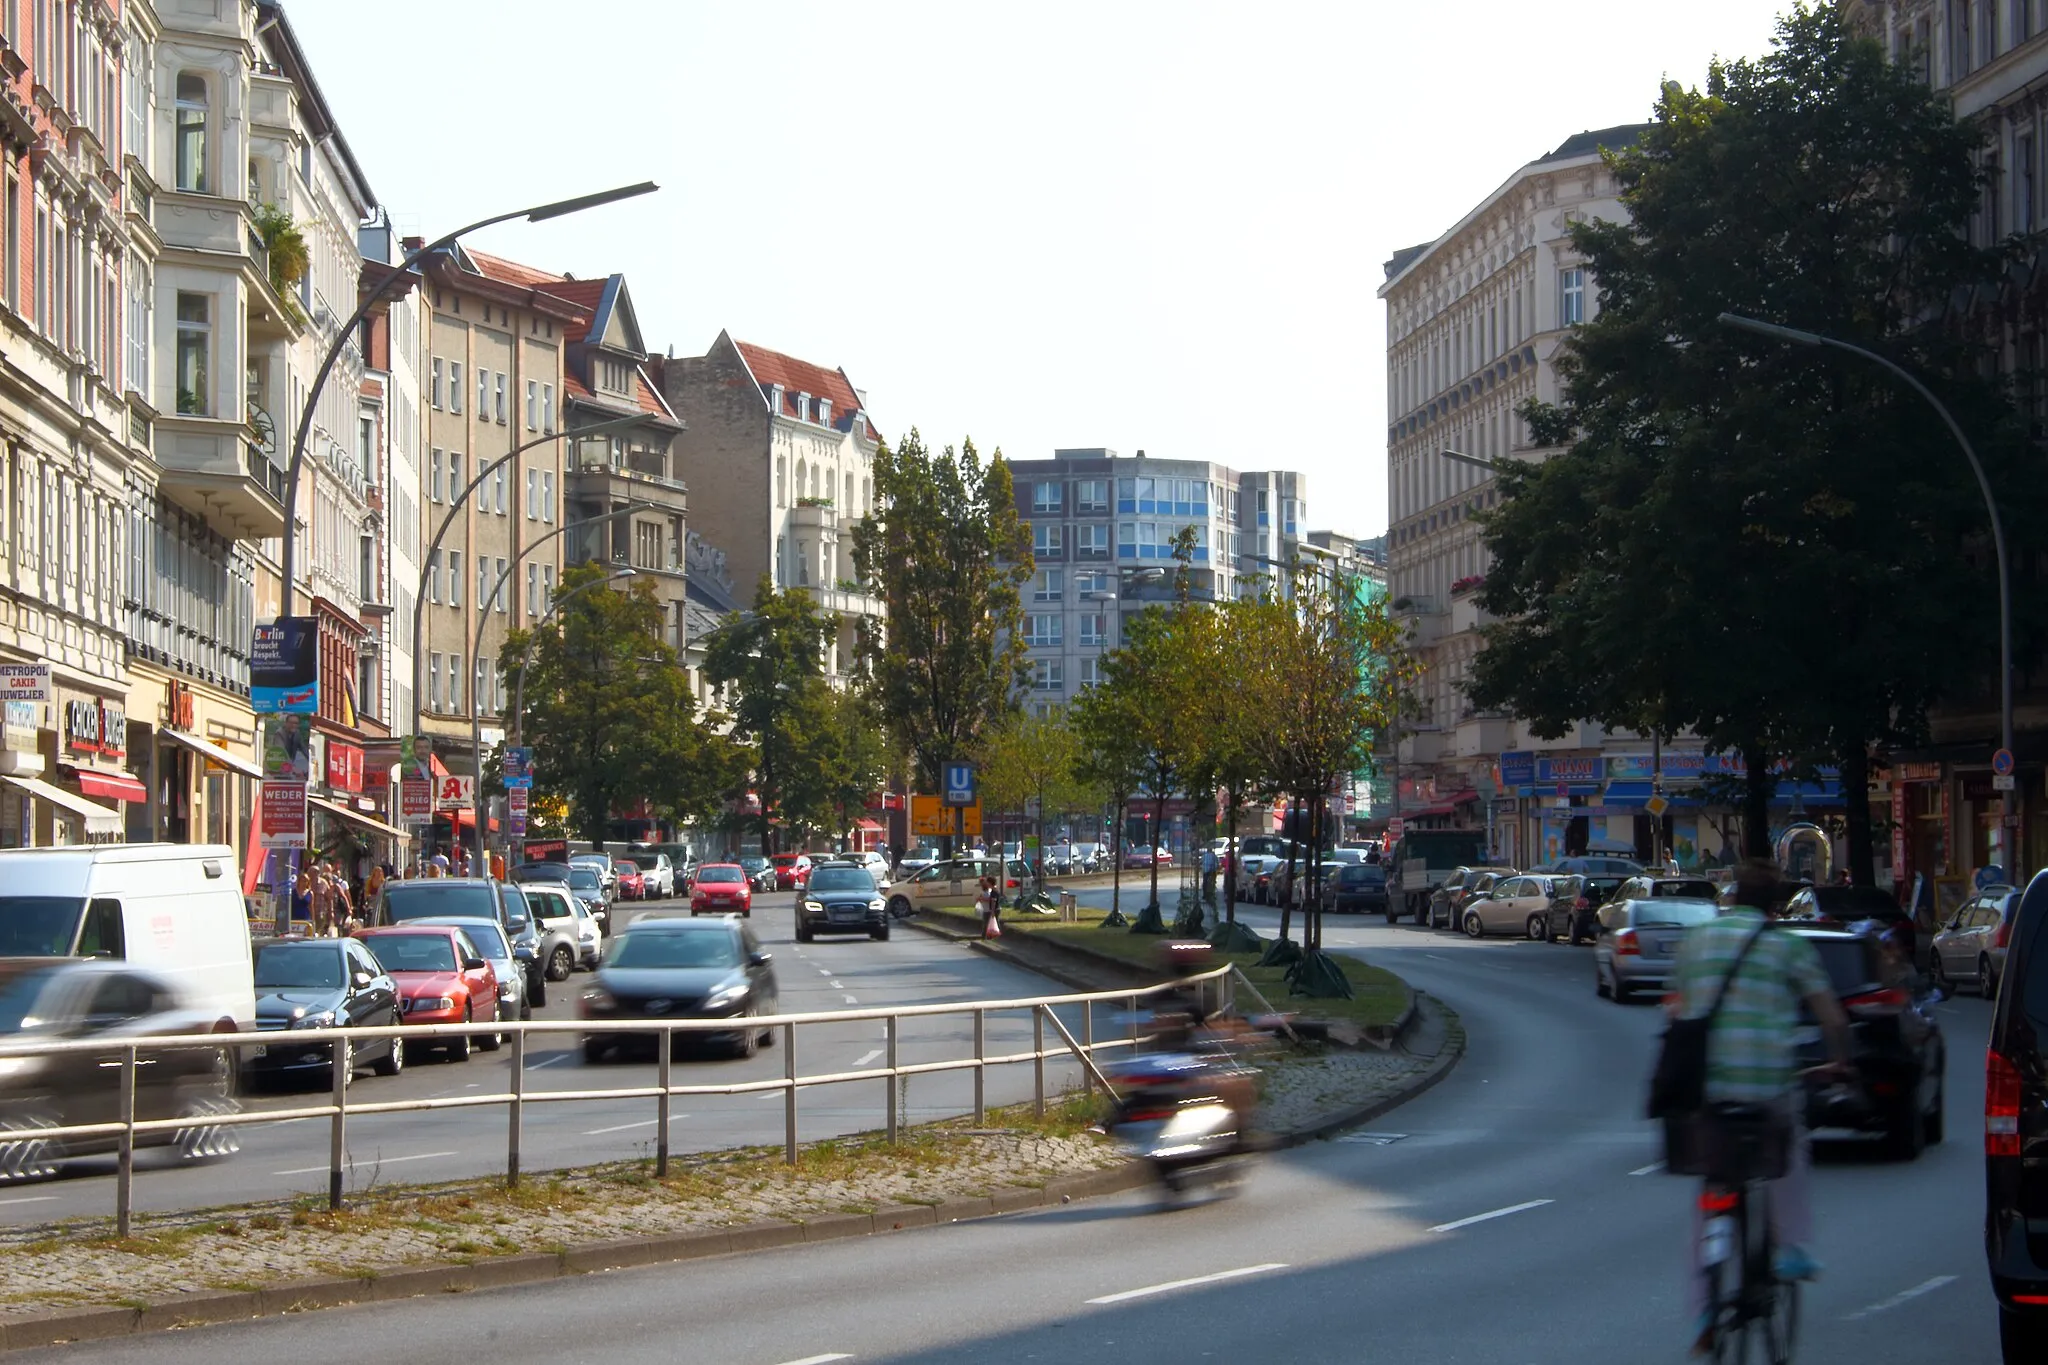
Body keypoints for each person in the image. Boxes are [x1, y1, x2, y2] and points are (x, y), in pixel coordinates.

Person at [1667, 857, 1853, 1354]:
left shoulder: (1698, 942)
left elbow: (1679, 1009)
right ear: (1775, 905)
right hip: (1767, 1084)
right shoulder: (1786, 946)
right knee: (1790, 1146)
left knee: (1711, 1196)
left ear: (1731, 899)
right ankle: (1790, 1245)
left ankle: (1704, 1308)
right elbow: (1830, 1016)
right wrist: (1839, 1060)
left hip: (1708, 1091)